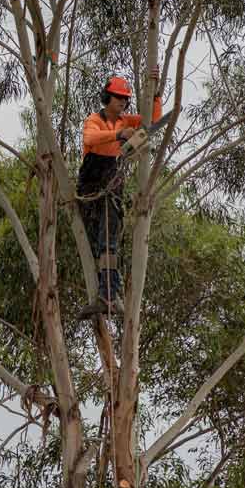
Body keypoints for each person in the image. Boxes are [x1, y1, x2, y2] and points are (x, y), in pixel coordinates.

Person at [77, 71, 162, 319]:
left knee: (109, 239)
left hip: (112, 178)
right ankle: (103, 295)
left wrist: (155, 92)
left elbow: (153, 119)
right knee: (95, 240)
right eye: (118, 98)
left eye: (125, 99)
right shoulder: (94, 120)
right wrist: (117, 135)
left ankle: (110, 295)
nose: (122, 103)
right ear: (107, 97)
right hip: (90, 181)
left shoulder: (127, 120)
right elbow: (90, 138)